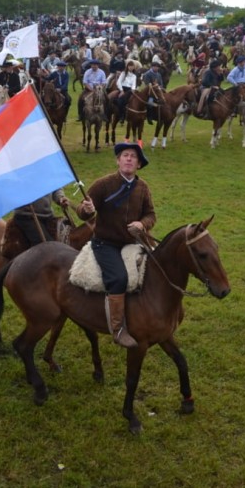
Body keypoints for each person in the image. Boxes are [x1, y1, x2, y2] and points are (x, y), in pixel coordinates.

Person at [76, 142, 156, 348]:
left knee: (158, 268)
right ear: (118, 161)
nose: (129, 159)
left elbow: (151, 215)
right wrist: (87, 209)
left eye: (133, 157)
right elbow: (83, 212)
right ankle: (119, 328)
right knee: (119, 278)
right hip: (106, 243)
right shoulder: (103, 184)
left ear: (138, 164)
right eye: (125, 155)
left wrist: (142, 224)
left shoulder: (143, 187)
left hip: (133, 242)